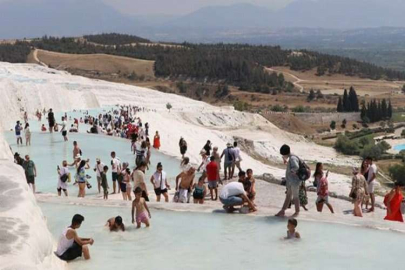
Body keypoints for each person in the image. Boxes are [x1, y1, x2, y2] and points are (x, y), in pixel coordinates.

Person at [276, 145, 301, 217]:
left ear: (285, 153)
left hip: (294, 181)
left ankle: (297, 212)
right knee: (288, 196)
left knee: (295, 196)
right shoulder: (291, 157)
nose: (283, 156)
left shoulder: (292, 158)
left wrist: (291, 172)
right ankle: (282, 210)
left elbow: (296, 167)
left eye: (283, 154)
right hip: (291, 181)